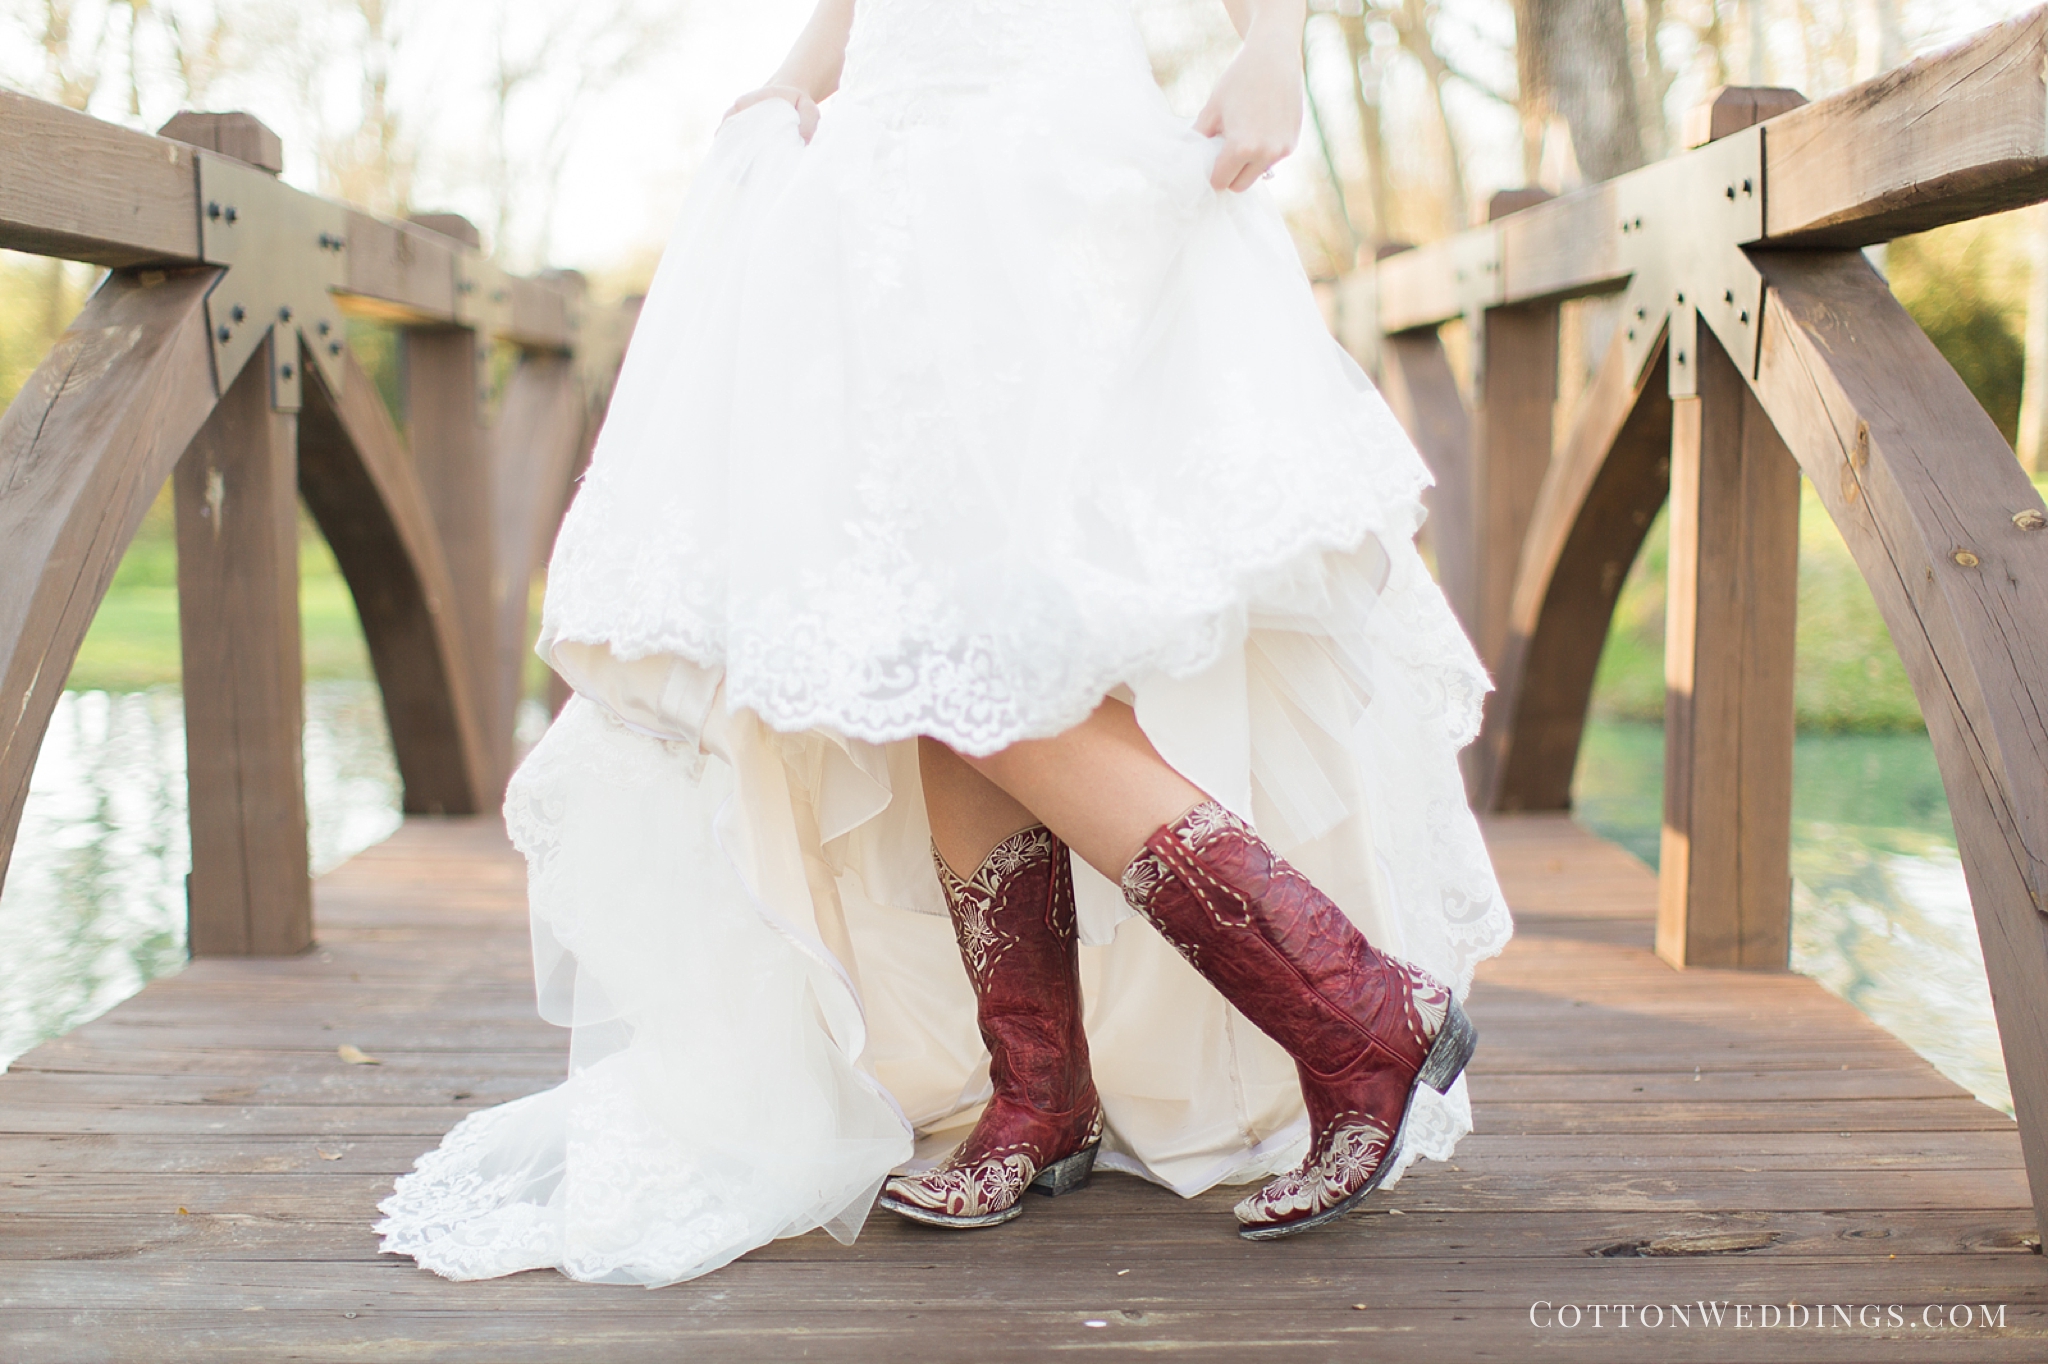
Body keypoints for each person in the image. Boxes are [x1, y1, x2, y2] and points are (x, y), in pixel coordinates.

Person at [377, 0, 1511, 1287]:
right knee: (921, 644)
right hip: (879, 192)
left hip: (1048, 176)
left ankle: (1361, 1008)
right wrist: (791, 82)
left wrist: (1272, 45)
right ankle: (1040, 1089)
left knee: (1003, 668)